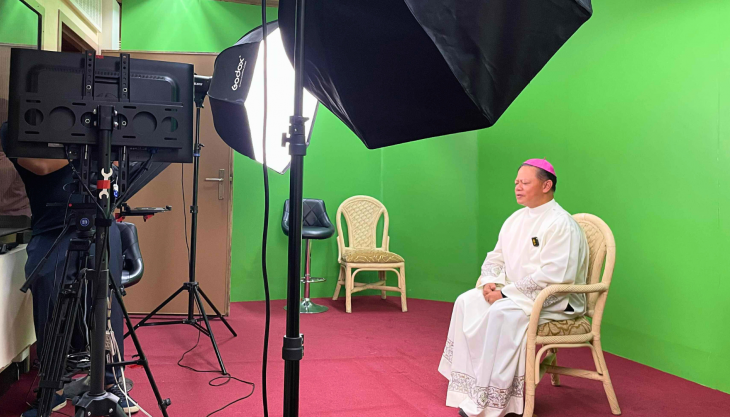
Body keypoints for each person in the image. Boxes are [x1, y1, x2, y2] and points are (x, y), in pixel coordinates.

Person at [0, 122, 139, 416]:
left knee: (106, 305)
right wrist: (93, 145)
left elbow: (116, 167)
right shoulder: (14, 125)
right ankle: (53, 389)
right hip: (52, 230)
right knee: (50, 308)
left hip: (102, 225)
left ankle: (112, 381)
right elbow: (40, 165)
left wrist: (101, 144)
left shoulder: (96, 124)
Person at [438, 158, 589, 417]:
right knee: (466, 301)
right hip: (515, 292)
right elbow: (496, 257)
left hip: (556, 300)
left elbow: (557, 275)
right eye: (516, 182)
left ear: (546, 185)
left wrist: (505, 293)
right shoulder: (515, 219)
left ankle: (496, 402)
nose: (518, 187)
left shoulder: (561, 223)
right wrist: (490, 282)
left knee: (502, 313)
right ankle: (468, 388)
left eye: (525, 183)